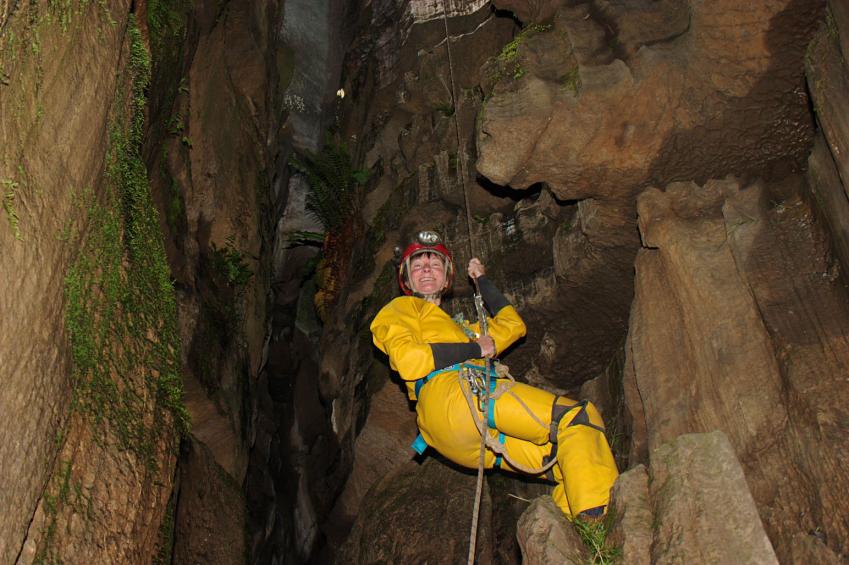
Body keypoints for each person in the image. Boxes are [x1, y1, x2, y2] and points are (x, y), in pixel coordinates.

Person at [369, 230, 619, 520]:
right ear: (406, 278)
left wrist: (482, 282)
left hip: (463, 439)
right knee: (577, 417)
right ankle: (604, 530)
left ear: (446, 276)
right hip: (456, 399)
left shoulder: (462, 329)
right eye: (418, 265)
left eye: (435, 264)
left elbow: (514, 327)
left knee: (567, 456)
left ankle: (584, 537)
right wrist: (472, 349)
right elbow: (409, 360)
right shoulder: (401, 309)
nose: (427, 269)